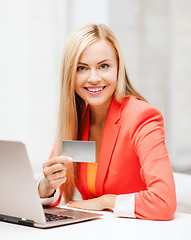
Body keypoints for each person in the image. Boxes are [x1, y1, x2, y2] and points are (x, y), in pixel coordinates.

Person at [37, 23, 177, 220]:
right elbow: (61, 189)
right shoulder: (77, 119)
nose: (93, 78)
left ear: (118, 68)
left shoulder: (142, 117)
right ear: (70, 74)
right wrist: (47, 185)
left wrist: (106, 201)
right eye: (81, 68)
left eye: (104, 66)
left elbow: (164, 202)